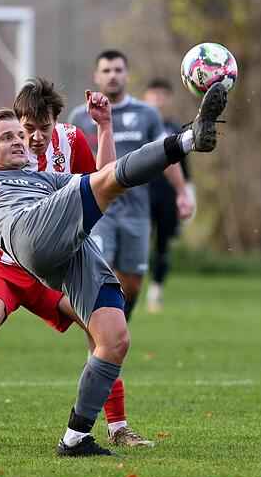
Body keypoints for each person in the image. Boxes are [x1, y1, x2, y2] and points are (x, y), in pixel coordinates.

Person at [0, 83, 227, 456]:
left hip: (57, 252)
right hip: (6, 258)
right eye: (16, 133)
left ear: (56, 123)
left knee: (112, 334)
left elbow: (109, 177)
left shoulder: (57, 160)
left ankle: (89, 434)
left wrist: (104, 128)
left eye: (34, 131)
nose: (28, 140)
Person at [69, 50, 193, 321]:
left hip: (137, 210)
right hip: (99, 210)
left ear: (126, 74)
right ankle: (100, 342)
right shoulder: (80, 116)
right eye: (106, 71)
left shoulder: (146, 114)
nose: (112, 75)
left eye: (118, 70)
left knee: (133, 283)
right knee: (101, 276)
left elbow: (167, 156)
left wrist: (182, 194)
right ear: (96, 76)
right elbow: (68, 160)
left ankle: (116, 332)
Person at [143, 78, 194, 312]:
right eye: (154, 95)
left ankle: (155, 294)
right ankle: (126, 288)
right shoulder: (139, 127)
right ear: (146, 98)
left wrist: (187, 194)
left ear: (169, 99)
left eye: (163, 95)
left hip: (167, 196)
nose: (158, 100)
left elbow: (185, 167)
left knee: (163, 245)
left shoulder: (175, 129)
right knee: (139, 243)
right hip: (141, 194)